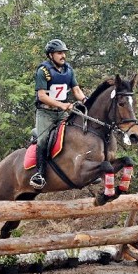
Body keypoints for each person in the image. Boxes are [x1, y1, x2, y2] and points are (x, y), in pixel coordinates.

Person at [30, 38, 88, 189]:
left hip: (62, 112)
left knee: (77, 132)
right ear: (50, 55)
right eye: (59, 53)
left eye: (64, 53)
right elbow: (42, 96)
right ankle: (40, 174)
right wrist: (62, 105)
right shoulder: (43, 71)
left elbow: (76, 90)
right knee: (43, 140)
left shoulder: (69, 70)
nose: (63, 56)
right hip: (46, 113)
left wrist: (85, 100)